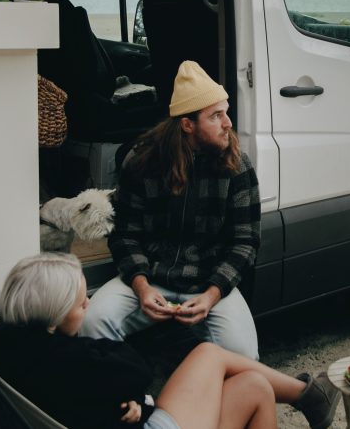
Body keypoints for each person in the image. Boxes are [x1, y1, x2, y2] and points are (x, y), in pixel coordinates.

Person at [0, 253, 341, 429]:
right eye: (81, 303)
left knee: (255, 386)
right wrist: (131, 403)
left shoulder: (8, 340)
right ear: (54, 312)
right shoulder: (68, 358)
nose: (89, 306)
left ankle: (306, 396)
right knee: (209, 352)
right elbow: (135, 370)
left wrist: (120, 405)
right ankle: (306, 394)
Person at [82, 61, 261, 359]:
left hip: (209, 286)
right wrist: (141, 287)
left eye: (225, 112)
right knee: (92, 322)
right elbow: (125, 234)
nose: (228, 123)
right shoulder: (142, 162)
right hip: (149, 279)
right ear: (187, 124)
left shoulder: (237, 166)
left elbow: (245, 243)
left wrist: (212, 295)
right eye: (216, 116)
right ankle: (122, 401)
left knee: (244, 356)